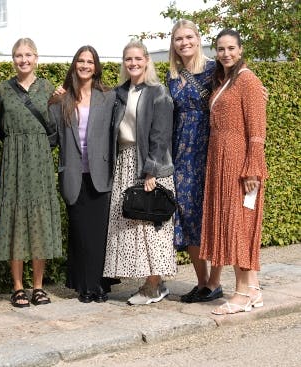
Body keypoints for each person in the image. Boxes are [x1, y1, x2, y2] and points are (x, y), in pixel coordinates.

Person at [103, 40, 176, 305]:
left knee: (151, 225)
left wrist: (151, 171)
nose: (132, 63)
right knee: (133, 225)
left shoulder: (159, 92)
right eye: (127, 59)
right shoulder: (120, 92)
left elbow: (161, 135)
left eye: (137, 58)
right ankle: (153, 282)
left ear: (146, 60)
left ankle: (154, 285)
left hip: (149, 164)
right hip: (125, 160)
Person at [200, 29, 267, 315]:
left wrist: (252, 168)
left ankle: (241, 294)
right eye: (220, 49)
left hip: (241, 165)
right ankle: (253, 288)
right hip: (222, 162)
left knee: (239, 224)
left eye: (231, 48)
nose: (225, 53)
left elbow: (257, 132)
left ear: (240, 50)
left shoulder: (247, 80)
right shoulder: (226, 79)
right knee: (237, 223)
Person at [0, 38, 62, 308]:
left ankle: (39, 286)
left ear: (36, 57)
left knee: (40, 218)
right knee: (16, 218)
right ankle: (18, 286)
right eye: (19, 56)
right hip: (14, 157)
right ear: (13, 59)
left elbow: (55, 125)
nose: (24, 60)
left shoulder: (48, 88)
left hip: (40, 158)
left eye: (28, 55)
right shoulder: (1, 90)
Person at [48, 45, 116, 303]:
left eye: (90, 61)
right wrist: (50, 104)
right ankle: (84, 286)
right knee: (80, 233)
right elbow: (53, 136)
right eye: (81, 61)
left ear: (96, 66)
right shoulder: (63, 99)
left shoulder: (108, 97)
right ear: (75, 65)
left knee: (98, 233)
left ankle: (98, 285)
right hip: (73, 174)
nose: (85, 65)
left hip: (100, 174)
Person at [166, 20, 223, 303]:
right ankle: (202, 283)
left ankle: (215, 281)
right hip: (183, 153)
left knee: (216, 213)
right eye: (178, 38)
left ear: (198, 39)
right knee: (187, 215)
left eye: (188, 37)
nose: (184, 42)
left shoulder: (216, 70)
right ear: (173, 44)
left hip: (212, 147)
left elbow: (240, 94)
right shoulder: (173, 76)